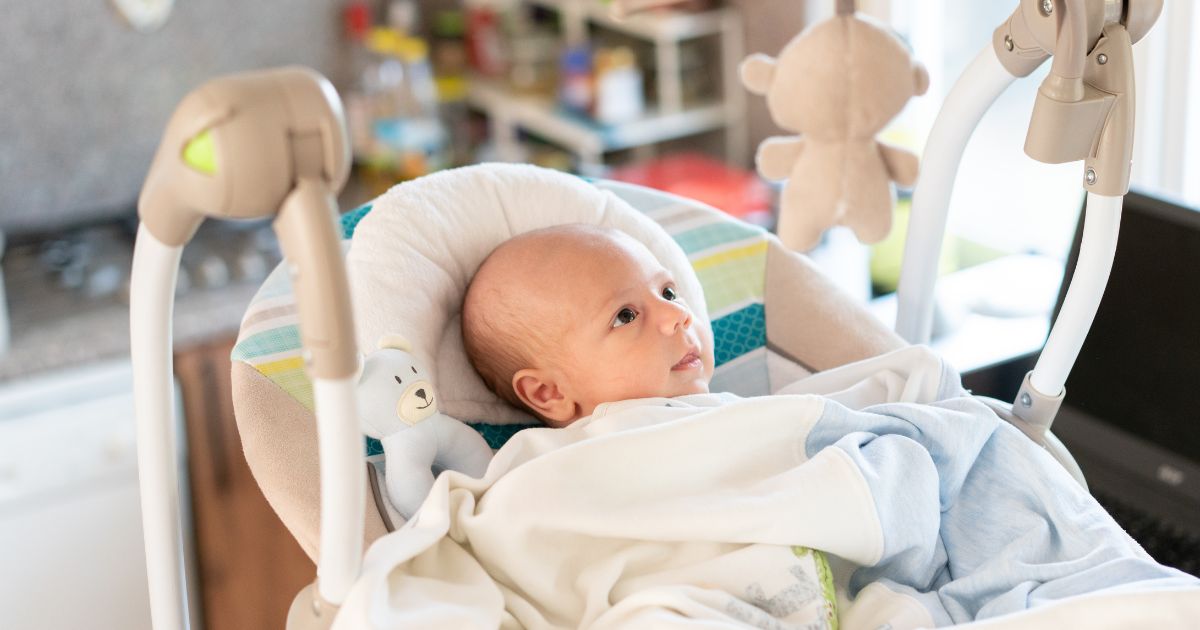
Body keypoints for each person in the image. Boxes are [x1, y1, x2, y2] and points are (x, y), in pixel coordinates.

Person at [462, 223, 715, 427]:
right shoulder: (547, 465)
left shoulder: (736, 410)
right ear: (549, 393)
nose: (679, 314)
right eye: (625, 316)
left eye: (668, 292)